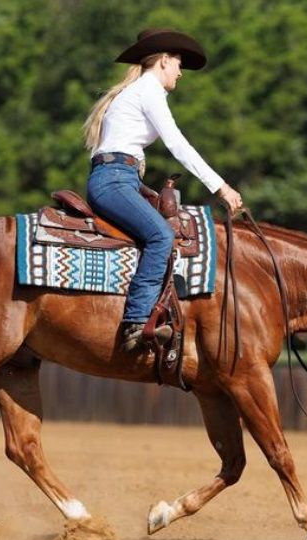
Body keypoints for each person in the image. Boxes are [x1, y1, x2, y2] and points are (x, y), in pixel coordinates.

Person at [84, 28, 243, 352]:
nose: (181, 73)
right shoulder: (149, 90)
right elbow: (177, 144)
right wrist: (221, 187)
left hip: (119, 177)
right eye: (179, 64)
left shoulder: (134, 91)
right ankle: (136, 320)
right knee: (161, 236)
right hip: (115, 179)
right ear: (165, 61)